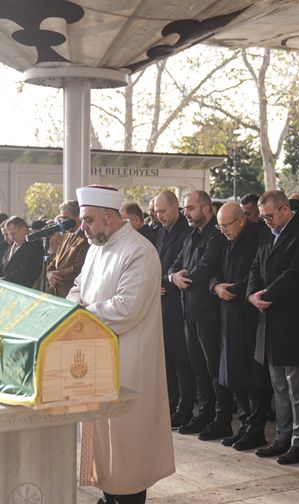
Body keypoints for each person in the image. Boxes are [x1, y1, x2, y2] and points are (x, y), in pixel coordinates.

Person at [69, 185, 174, 504]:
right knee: (103, 437)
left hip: (129, 360)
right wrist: (73, 306)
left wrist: (83, 313)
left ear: (110, 216)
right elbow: (78, 286)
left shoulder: (139, 251)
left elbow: (127, 308)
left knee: (128, 441)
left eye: (88, 220)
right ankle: (110, 494)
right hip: (98, 355)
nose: (82, 226)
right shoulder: (96, 247)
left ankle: (127, 498)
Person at [248, 190, 299, 465]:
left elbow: (296, 274)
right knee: (278, 385)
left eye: (269, 215)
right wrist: (251, 294)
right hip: (268, 321)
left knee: (298, 387)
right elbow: (255, 266)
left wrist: (265, 296)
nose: (265, 221)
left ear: (283, 209)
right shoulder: (267, 233)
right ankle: (282, 438)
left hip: (293, 322)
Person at [167, 190, 230, 440]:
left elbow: (205, 268)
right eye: (185, 209)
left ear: (206, 208)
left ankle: (221, 418)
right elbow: (175, 262)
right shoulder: (191, 235)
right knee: (197, 368)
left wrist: (183, 276)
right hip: (188, 311)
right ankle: (204, 414)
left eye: (191, 208)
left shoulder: (216, 235)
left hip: (209, 313)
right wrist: (173, 276)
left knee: (214, 368)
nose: (187, 213)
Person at [210, 202, 271, 451]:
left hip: (249, 317)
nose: (223, 230)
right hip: (228, 316)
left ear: (241, 221)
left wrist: (233, 289)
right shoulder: (226, 239)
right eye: (219, 226)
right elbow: (213, 270)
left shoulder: (258, 238)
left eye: (226, 225)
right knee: (234, 375)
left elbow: (259, 274)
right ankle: (245, 425)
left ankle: (256, 429)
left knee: (253, 377)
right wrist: (215, 286)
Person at [153, 190, 195, 428]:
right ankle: (169, 404)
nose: (159, 216)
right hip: (159, 301)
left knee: (181, 360)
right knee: (166, 358)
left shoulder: (186, 233)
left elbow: (183, 269)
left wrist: (165, 280)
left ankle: (184, 408)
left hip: (178, 303)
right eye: (156, 211)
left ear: (176, 207)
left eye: (163, 211)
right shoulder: (158, 233)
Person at [46, 201, 89, 298]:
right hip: (58, 293)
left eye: (66, 219)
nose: (63, 222)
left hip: (72, 294)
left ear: (78, 217)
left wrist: (56, 275)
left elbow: (79, 267)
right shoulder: (66, 235)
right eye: (61, 219)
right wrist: (49, 273)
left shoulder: (85, 237)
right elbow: (55, 259)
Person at [0, 216, 43, 288]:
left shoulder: (35, 245)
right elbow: (3, 267)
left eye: (13, 234)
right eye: (9, 234)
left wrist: (5, 280)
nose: (11, 238)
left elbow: (27, 271)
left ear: (23, 229)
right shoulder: (11, 246)